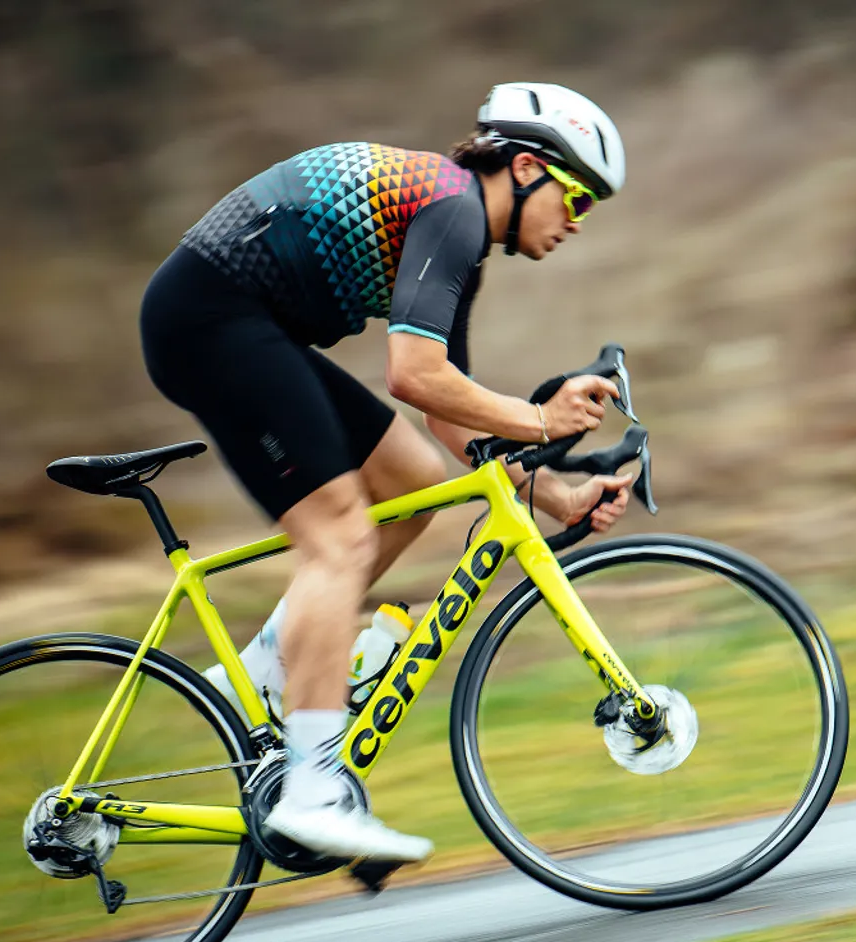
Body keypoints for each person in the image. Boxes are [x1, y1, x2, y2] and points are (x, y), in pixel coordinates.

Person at [139, 83, 635, 865]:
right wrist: (542, 419)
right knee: (340, 537)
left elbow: (450, 418)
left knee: (412, 482)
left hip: (236, 323)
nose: (576, 220)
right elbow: (414, 375)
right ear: (527, 168)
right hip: (211, 321)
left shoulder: (458, 232)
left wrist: (559, 496)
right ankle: (311, 791)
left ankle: (268, 669)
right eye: (576, 198)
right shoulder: (453, 209)